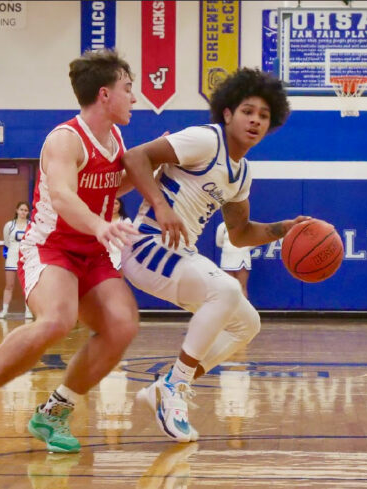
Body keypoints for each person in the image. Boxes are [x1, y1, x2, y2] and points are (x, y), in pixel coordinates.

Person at [0, 49, 181, 453]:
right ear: (105, 94)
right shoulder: (64, 140)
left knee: (122, 326)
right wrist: (102, 225)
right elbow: (64, 197)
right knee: (58, 319)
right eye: (128, 88)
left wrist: (153, 167)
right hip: (52, 248)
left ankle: (53, 412)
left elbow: (112, 185)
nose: (134, 98)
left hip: (94, 252)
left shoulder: (115, 138)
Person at [119, 67, 308, 443]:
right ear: (227, 113)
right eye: (247, 111)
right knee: (226, 290)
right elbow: (136, 156)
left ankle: (170, 386)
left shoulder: (242, 174)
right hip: (146, 245)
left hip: (179, 253)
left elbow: (239, 233)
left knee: (247, 324)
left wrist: (282, 229)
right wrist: (160, 204)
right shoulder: (206, 140)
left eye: (263, 116)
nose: (255, 120)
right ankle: (173, 387)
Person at [0, 201, 32, 319]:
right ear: (17, 210)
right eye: (21, 209)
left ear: (28, 212)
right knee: (9, 285)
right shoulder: (9, 225)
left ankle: (28, 311)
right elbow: (6, 242)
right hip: (11, 257)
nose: (23, 212)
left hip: (26, 259)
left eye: (25, 210)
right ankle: (4, 311)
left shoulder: (31, 225)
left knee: (27, 286)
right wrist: (9, 254)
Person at [215, 221, 253, 298]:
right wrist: (230, 249)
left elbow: (254, 241)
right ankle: (230, 309)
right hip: (227, 259)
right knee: (229, 288)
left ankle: (243, 309)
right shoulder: (222, 226)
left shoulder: (248, 226)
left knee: (242, 286)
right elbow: (218, 243)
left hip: (243, 259)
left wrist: (245, 248)